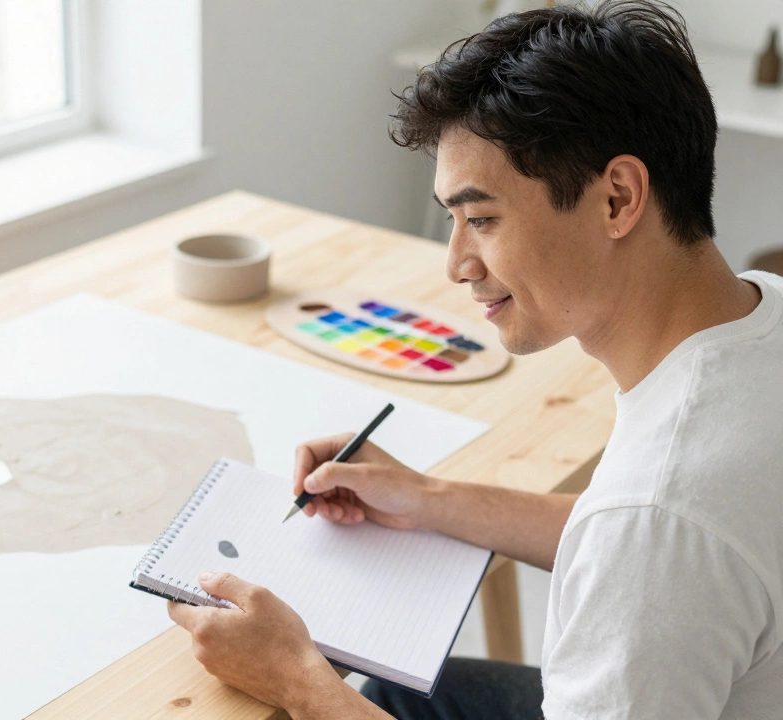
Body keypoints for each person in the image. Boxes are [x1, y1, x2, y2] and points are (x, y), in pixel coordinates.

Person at [166, 1, 783, 718]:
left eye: (482, 219)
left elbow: (649, 538)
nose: (456, 264)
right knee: (416, 690)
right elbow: (656, 544)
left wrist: (297, 681)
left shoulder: (655, 522)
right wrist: (433, 500)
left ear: (618, 197)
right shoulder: (761, 309)